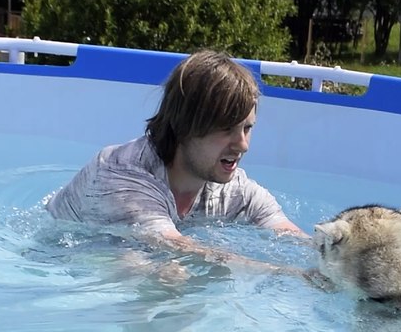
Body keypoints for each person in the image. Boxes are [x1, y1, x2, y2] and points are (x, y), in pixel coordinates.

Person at [44, 49, 308, 274]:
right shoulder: (121, 176)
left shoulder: (229, 187)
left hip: (120, 261)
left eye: (247, 128)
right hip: (57, 267)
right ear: (185, 127)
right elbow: (177, 247)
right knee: (162, 273)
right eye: (226, 129)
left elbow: (288, 235)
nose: (243, 145)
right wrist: (290, 275)